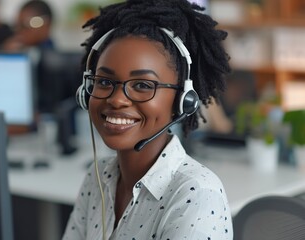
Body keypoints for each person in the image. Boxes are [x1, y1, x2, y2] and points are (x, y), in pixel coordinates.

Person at [62, 0, 233, 239]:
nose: (117, 100)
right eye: (104, 81)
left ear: (182, 101)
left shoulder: (196, 194)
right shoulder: (98, 177)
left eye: (143, 85)